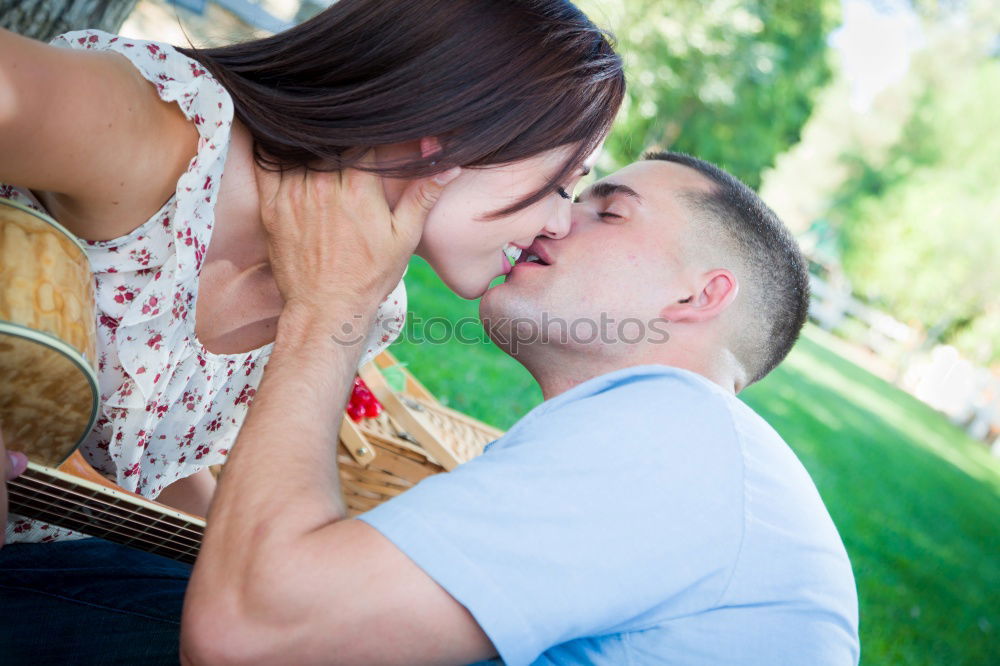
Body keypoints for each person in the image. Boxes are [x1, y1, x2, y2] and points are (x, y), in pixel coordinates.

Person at [170, 151, 858, 664]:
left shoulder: (673, 440)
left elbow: (251, 633)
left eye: (608, 211)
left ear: (697, 298)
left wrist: (329, 309)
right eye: (573, 198)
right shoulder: (686, 450)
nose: (555, 218)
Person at [0, 0, 623, 545]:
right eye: (563, 182)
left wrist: (241, 570)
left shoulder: (373, 305)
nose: (561, 225)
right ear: (456, 129)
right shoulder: (172, 138)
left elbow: (152, 463)